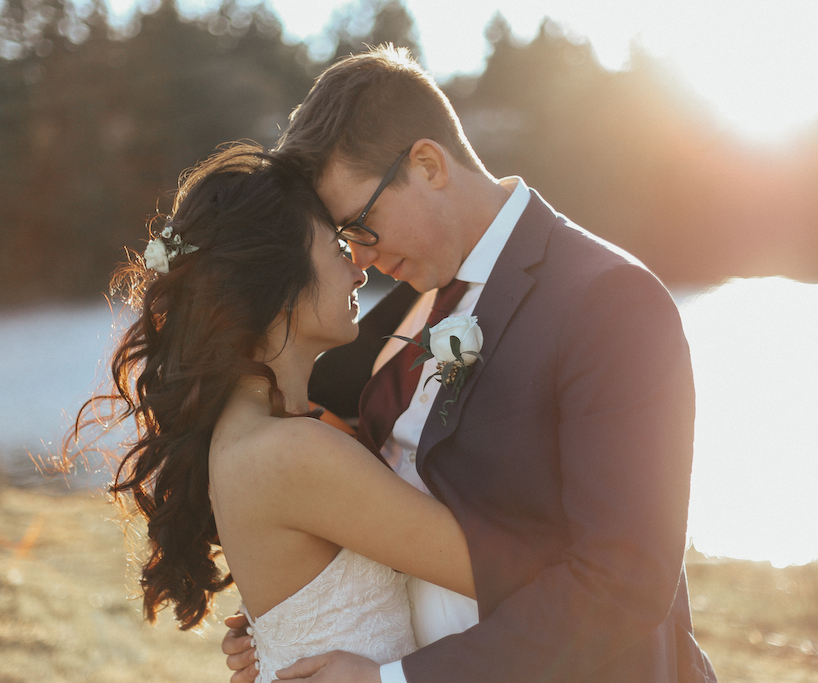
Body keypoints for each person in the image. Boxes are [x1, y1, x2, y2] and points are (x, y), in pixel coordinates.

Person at [223, 46, 716, 683]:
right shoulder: (409, 301)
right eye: (346, 241)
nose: (362, 260)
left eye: (362, 226)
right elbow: (385, 487)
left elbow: (622, 584)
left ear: (427, 164)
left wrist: (394, 682)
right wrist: (297, 609)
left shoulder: (609, 300)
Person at [70, 143, 477, 683]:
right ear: (279, 284)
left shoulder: (256, 434)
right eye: (335, 247)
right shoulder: (292, 453)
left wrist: (274, 634)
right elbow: (494, 568)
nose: (358, 268)